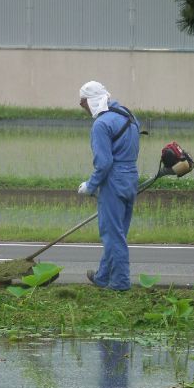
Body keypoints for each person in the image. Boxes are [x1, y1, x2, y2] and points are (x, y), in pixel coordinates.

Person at [77, 81, 140, 291]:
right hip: (131, 179)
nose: (81, 106)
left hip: (113, 181)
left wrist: (90, 185)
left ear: (91, 101)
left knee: (113, 236)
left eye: (83, 102)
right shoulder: (128, 115)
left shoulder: (101, 124)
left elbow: (104, 163)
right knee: (117, 233)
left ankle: (120, 284)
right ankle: (103, 277)